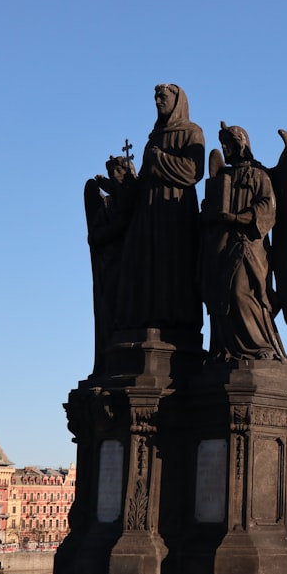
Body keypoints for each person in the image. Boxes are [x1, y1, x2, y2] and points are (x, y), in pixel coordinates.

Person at [115, 83, 205, 332]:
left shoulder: (192, 132)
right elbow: (145, 176)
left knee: (173, 263)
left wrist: (160, 159)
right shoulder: (153, 138)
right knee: (146, 262)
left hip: (175, 209)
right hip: (149, 210)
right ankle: (148, 317)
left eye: (162, 97)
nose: (157, 102)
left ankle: (175, 322)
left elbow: (194, 171)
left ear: (176, 101)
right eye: (155, 97)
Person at [199, 122, 287, 361]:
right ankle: (225, 349)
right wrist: (210, 212)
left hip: (249, 245)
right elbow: (208, 209)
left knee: (241, 292)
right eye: (223, 145)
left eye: (229, 144)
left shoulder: (259, 175)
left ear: (242, 144)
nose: (225, 149)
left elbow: (267, 209)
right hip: (222, 245)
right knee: (222, 295)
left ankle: (258, 346)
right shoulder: (223, 176)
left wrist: (236, 218)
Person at [83, 155, 136, 375]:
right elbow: (94, 236)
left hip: (130, 267)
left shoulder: (134, 202)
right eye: (112, 171)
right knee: (109, 312)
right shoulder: (107, 205)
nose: (114, 176)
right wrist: (109, 232)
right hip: (110, 266)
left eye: (119, 171)